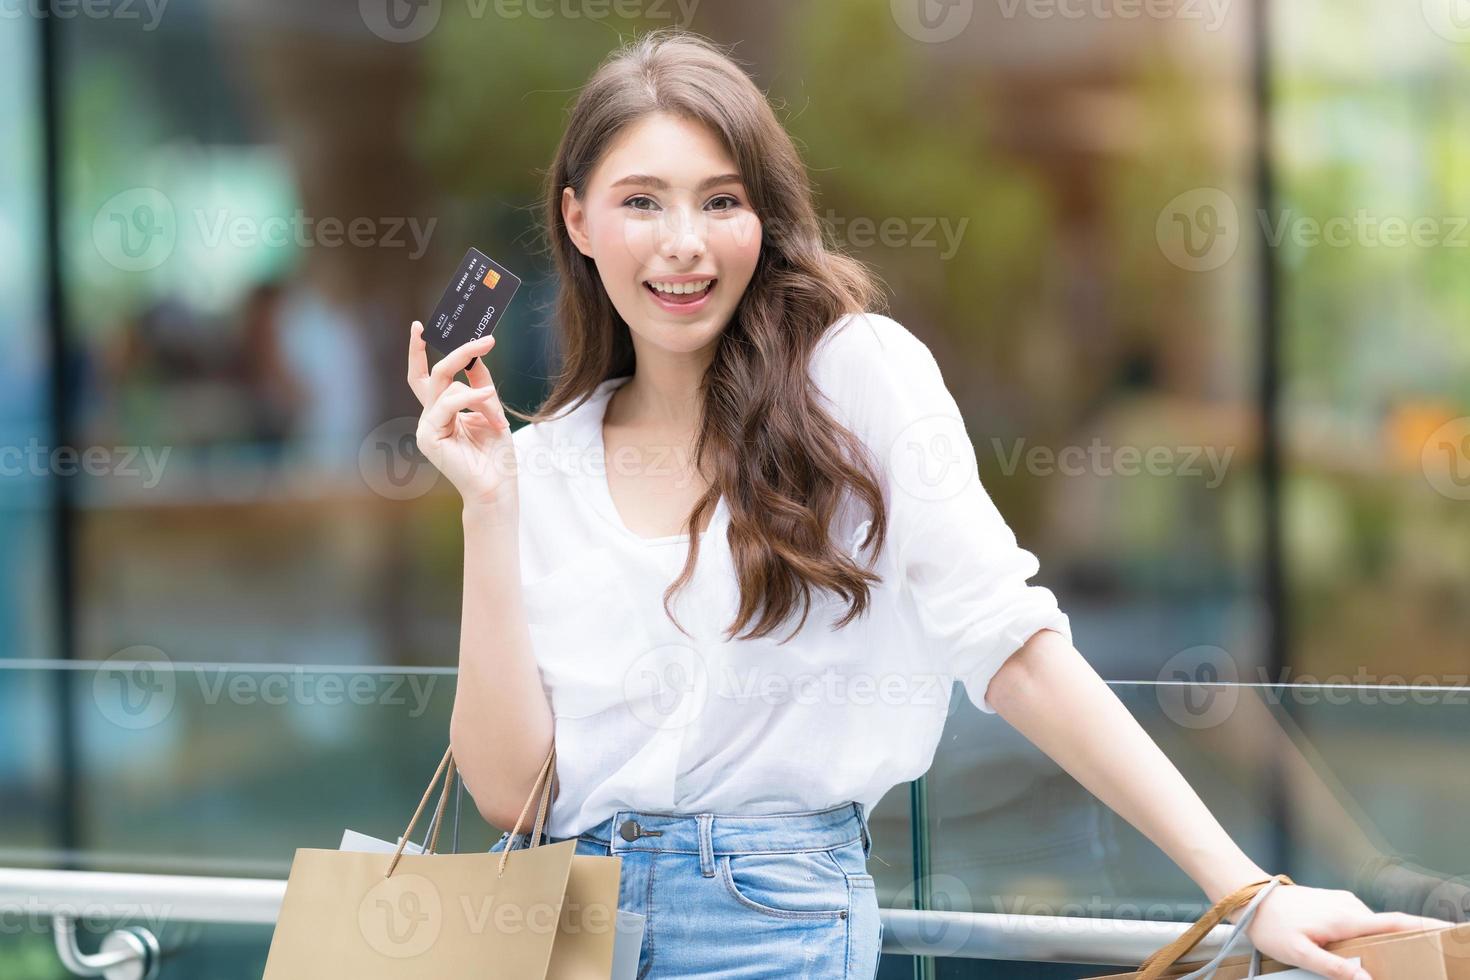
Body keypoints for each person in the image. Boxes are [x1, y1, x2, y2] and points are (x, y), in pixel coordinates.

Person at [405, 27, 1452, 980]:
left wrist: (1245, 886)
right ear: (577, 221)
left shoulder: (854, 381)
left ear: (764, 219)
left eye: (721, 200)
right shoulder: (542, 462)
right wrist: (487, 508)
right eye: (642, 201)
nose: (685, 242)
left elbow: (1014, 648)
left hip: (770, 923)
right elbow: (512, 794)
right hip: (559, 934)